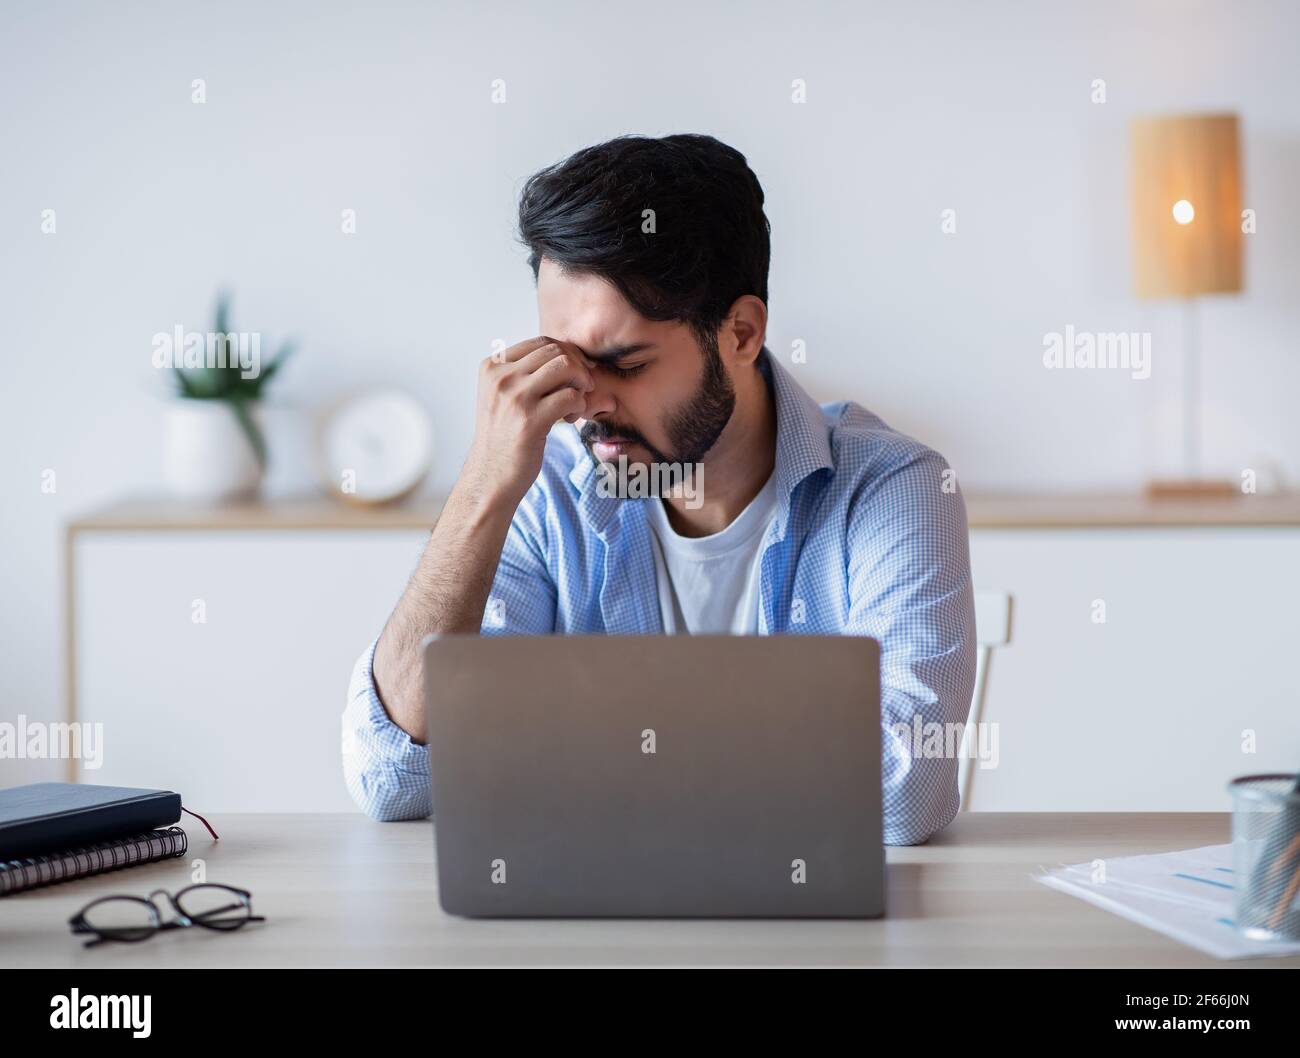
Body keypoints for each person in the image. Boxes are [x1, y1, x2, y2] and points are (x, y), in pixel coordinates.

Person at [342, 133, 976, 845]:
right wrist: (481, 490)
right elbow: (392, 778)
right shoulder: (541, 493)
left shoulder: (892, 489)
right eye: (565, 361)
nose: (586, 401)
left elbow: (904, 791)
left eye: (625, 363)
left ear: (740, 332)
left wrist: (566, 749)